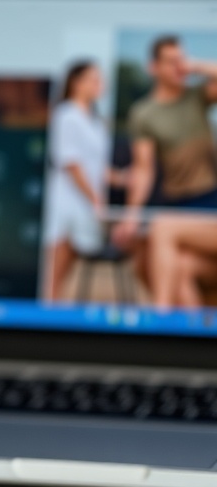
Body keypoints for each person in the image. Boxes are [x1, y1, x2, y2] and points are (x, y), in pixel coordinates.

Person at [112, 36, 217, 309]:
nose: (178, 67)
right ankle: (193, 343)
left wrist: (194, 66)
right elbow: (144, 169)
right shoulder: (144, 114)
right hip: (179, 205)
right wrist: (131, 215)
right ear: (153, 67)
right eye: (171, 61)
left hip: (210, 205)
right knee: (176, 270)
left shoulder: (197, 97)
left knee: (161, 227)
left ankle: (159, 322)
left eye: (181, 59)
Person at [43, 61, 120, 301]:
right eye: (93, 79)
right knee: (55, 273)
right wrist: (95, 198)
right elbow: (71, 163)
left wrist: (125, 179)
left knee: (71, 274)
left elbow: (97, 167)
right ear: (76, 83)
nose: (99, 85)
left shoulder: (96, 121)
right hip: (68, 202)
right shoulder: (66, 115)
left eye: (100, 79)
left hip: (87, 204)